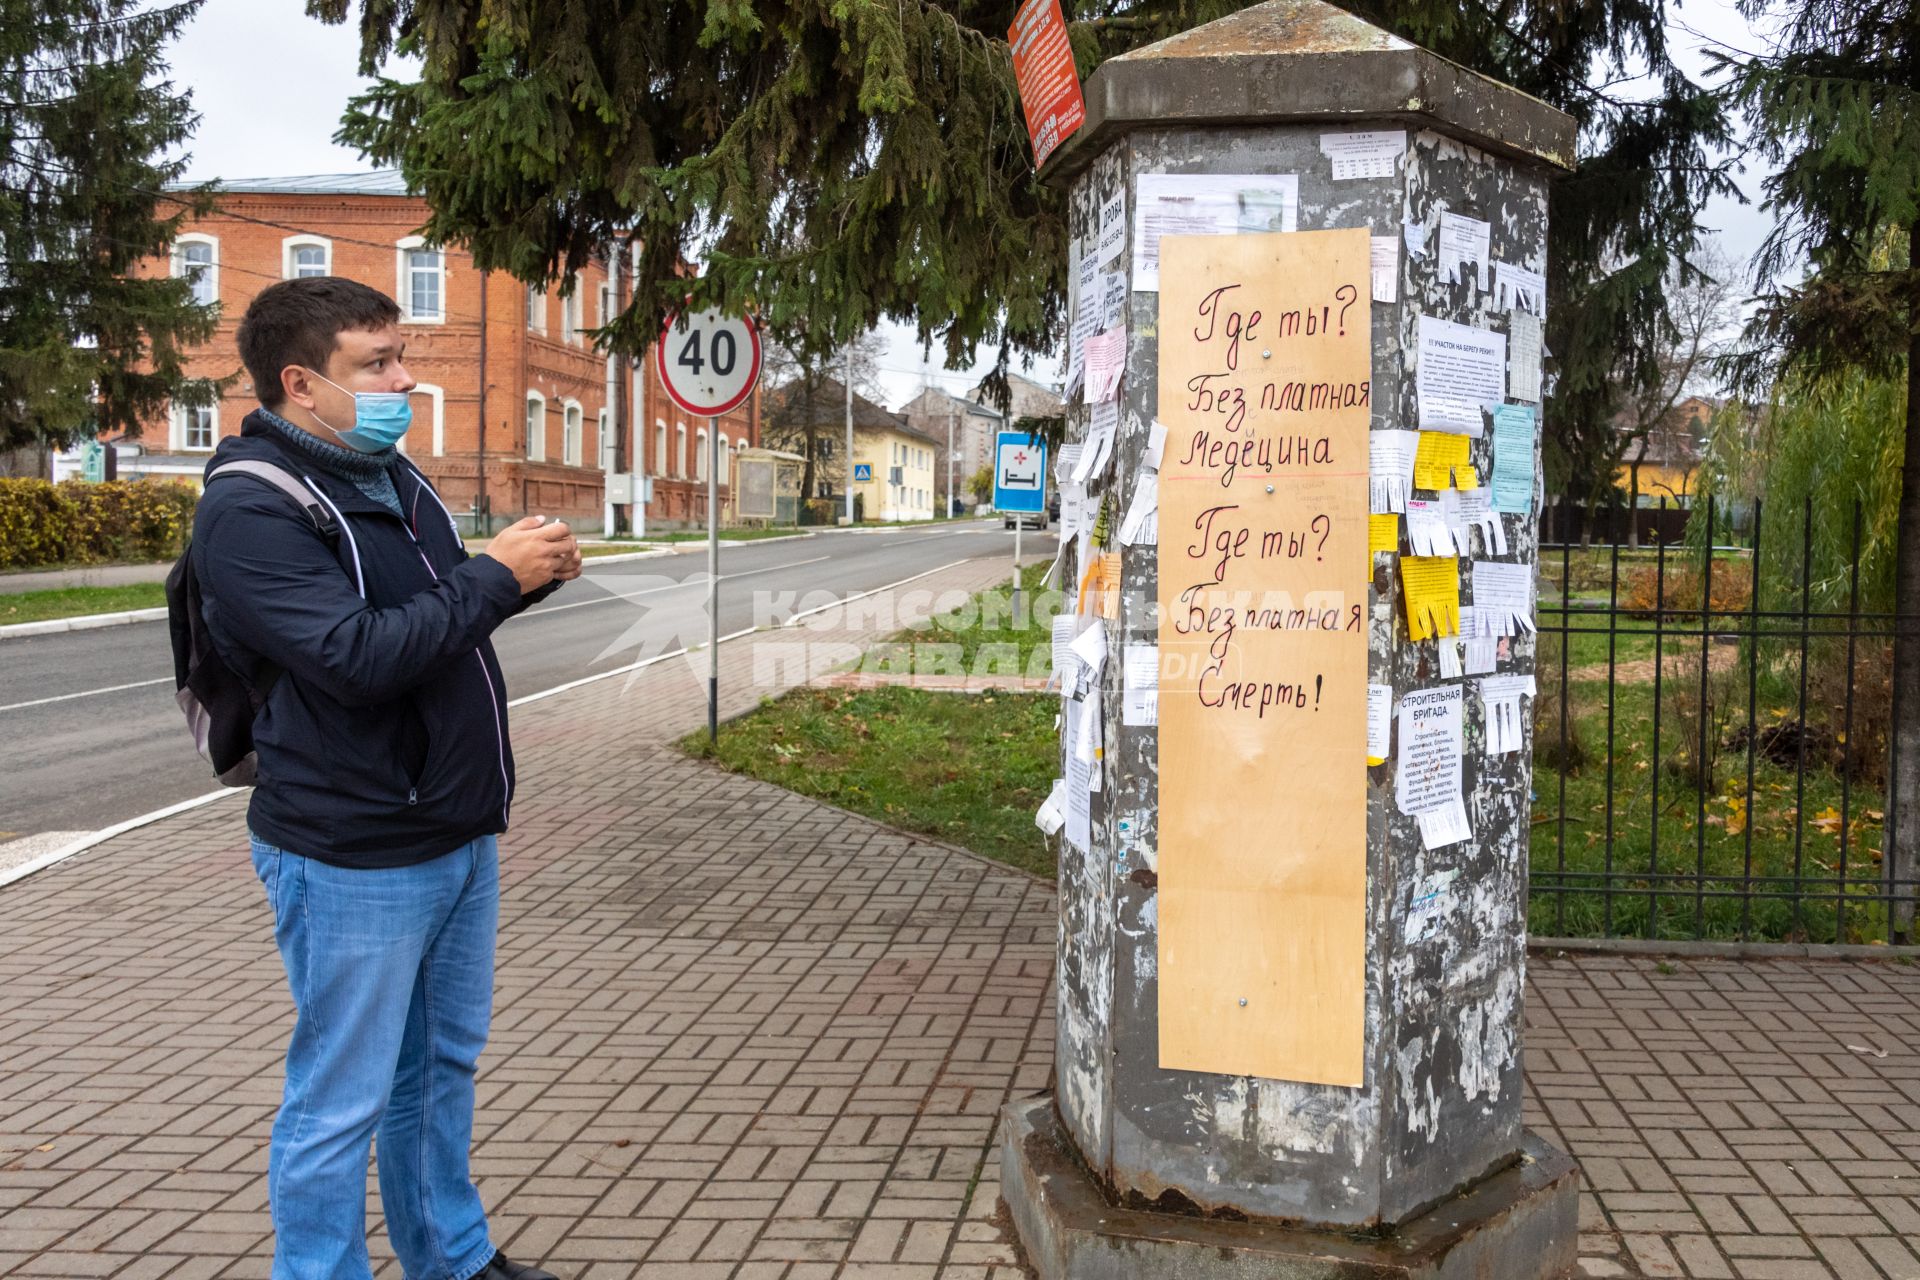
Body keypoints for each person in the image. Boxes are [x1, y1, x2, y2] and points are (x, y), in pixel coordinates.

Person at [194, 276, 581, 1280]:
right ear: (299, 382)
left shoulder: (390, 479)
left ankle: (450, 1255)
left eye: (399, 356)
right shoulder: (249, 509)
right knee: (342, 1095)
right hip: (351, 849)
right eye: (375, 363)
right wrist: (494, 576)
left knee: (436, 1073)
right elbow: (355, 655)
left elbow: (432, 626)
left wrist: (519, 582)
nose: (404, 379)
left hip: (452, 828)